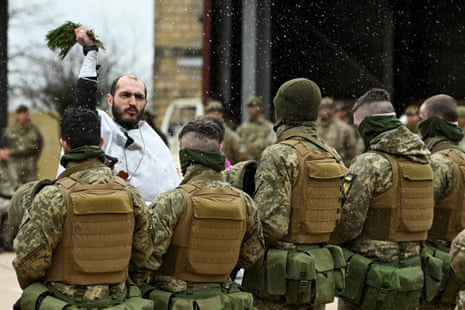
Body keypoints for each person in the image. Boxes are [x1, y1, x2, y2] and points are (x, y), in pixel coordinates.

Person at [12, 107, 154, 309]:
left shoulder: (52, 197)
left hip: (64, 302)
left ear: (64, 145)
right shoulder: (131, 194)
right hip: (118, 301)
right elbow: (144, 254)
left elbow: (29, 265)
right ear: (101, 143)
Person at [242, 78, 349, 310]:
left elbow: (271, 225)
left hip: (279, 282)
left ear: (281, 112)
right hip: (316, 274)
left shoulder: (279, 155)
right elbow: (339, 217)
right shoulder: (332, 155)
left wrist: (240, 257)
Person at [142, 116, 265, 309]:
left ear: (185, 157)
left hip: (180, 300)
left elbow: (147, 258)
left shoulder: (172, 201)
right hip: (224, 299)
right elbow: (252, 254)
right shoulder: (244, 202)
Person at [330, 88, 434, 309]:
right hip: (411, 273)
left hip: (370, 278)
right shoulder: (425, 160)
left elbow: (349, 224)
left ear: (369, 125)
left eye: (359, 126)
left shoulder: (370, 163)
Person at [57, 26, 180, 204]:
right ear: (110, 99)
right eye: (125, 95)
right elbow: (83, 108)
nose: (132, 102)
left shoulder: (156, 145)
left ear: (145, 103)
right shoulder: (99, 128)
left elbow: (170, 198)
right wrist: (91, 53)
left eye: (138, 97)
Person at [417, 94, 465, 309]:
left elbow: (416, 216)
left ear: (433, 121)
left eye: (422, 117)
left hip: (437, 264)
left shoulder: (437, 163)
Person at [4, 104, 43, 184]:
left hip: (30, 166)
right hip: (14, 166)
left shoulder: (34, 130)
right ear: (17, 115)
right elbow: (4, 147)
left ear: (27, 115)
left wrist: (34, 159)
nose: (22, 116)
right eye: (20, 114)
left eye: (24, 113)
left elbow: (39, 146)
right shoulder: (10, 130)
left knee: (31, 189)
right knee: (14, 190)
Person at [317, 96, 358, 166]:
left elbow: (352, 153)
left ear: (333, 110)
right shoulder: (313, 127)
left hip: (338, 169)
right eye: (322, 108)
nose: (325, 111)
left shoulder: (344, 128)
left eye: (328, 108)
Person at [205, 100, 248, 165]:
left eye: (218, 112)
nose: (215, 114)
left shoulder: (231, 136)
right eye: (212, 112)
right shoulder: (201, 134)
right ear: (207, 114)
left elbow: (242, 158)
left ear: (222, 114)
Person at [236, 96, 276, 161]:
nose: (251, 109)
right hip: (246, 163)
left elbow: (272, 145)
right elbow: (237, 145)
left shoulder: (268, 126)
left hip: (262, 161)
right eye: (249, 106)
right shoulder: (243, 127)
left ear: (260, 108)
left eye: (253, 106)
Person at [0, 137, 18, 252]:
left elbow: (15, 182)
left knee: (15, 209)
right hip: (1, 197)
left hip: (8, 197)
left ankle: (6, 241)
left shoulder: (10, 164)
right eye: (5, 149)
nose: (8, 152)